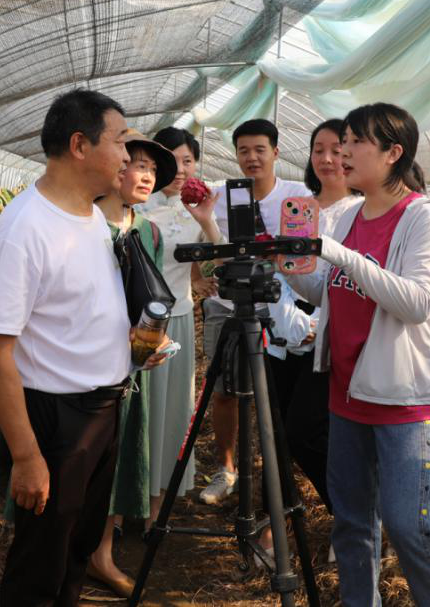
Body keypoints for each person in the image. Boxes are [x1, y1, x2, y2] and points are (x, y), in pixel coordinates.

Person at [0, 89, 167, 607]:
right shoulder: (24, 230)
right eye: (121, 143)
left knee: (76, 550)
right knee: (40, 563)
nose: (129, 158)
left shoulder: (89, 219)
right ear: (80, 145)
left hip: (102, 412)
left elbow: (79, 310)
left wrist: (131, 344)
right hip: (55, 421)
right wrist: (26, 455)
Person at [282, 103, 430, 606]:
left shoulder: (426, 219)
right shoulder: (347, 215)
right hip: (348, 392)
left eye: (356, 141)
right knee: (352, 522)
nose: (343, 151)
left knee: (410, 525)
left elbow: (419, 302)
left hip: (405, 398)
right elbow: (329, 291)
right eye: (343, 140)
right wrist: (291, 265)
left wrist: (337, 253)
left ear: (393, 153)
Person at [185, 118, 311, 509]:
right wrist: (197, 279)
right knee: (224, 390)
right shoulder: (220, 195)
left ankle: (278, 478)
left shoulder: (299, 195)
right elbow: (190, 234)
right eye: (243, 150)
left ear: (275, 152)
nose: (251, 158)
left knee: (276, 393)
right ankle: (227, 470)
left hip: (281, 306)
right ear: (235, 155)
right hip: (227, 305)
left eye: (260, 149)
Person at [86, 130, 177, 598]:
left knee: (118, 457)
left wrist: (150, 344)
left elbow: (151, 300)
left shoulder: (148, 231)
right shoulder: (81, 224)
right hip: (81, 366)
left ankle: (101, 552)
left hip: (128, 367)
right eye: (137, 164)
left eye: (152, 169)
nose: (146, 174)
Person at [263, 120, 361, 528]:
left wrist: (318, 323)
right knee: (277, 434)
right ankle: (283, 523)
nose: (326, 159)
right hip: (286, 333)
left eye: (337, 150)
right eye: (318, 149)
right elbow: (291, 272)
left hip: (328, 334)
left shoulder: (361, 212)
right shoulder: (301, 206)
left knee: (307, 430)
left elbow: (352, 280)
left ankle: (351, 514)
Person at [137, 127, 214, 529]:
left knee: (171, 413)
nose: (180, 169)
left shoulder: (199, 210)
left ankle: (156, 508)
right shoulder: (137, 205)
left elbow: (211, 258)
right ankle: (123, 503)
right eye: (173, 160)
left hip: (179, 319)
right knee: (139, 410)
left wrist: (208, 222)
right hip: (139, 320)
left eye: (188, 161)